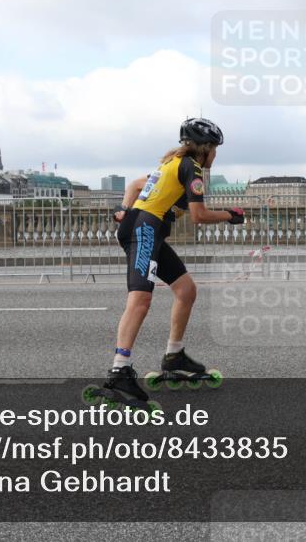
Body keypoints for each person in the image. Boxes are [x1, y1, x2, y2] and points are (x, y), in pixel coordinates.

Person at [99, 117, 245, 404]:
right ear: (204, 149)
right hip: (144, 229)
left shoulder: (171, 165)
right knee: (140, 299)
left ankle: (174, 355)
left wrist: (124, 209)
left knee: (186, 290)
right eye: (214, 148)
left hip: (145, 229)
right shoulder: (192, 167)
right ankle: (119, 370)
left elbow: (135, 185)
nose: (215, 154)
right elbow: (199, 216)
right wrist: (231, 215)